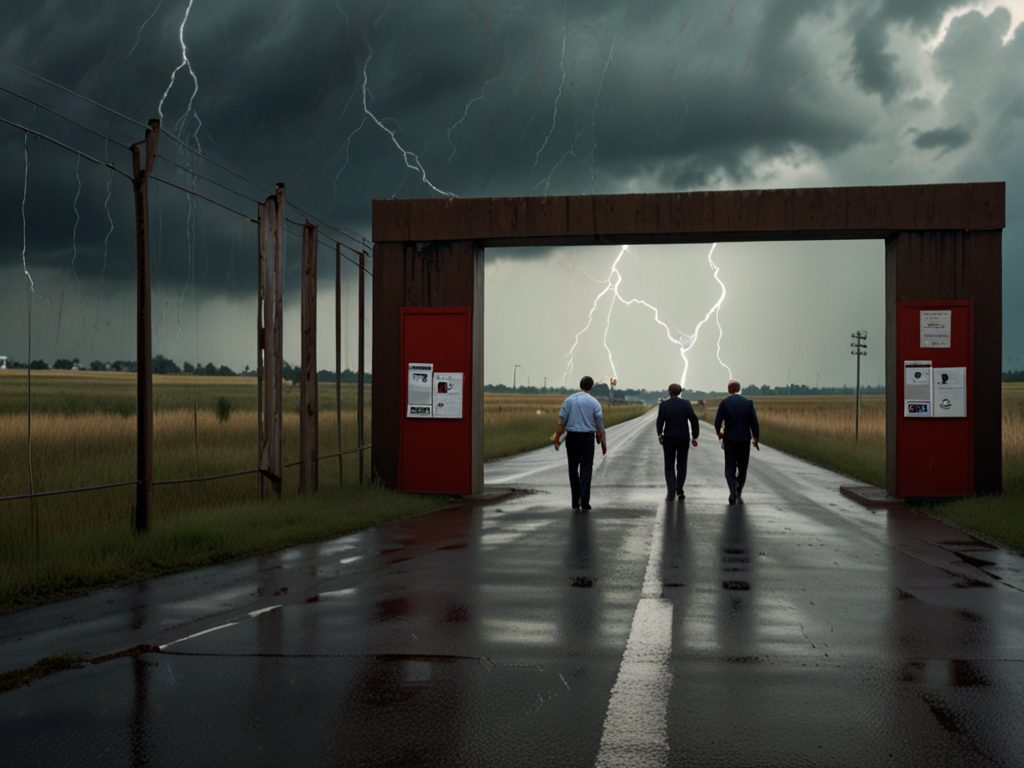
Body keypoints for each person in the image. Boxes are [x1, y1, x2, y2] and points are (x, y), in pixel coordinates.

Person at [552, 375, 607, 511]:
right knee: (586, 469)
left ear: (580, 385)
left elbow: (561, 422)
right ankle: (585, 501)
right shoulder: (595, 403)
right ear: (591, 387)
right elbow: (600, 426)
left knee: (573, 469)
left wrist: (557, 439)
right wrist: (603, 443)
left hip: (572, 438)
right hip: (587, 439)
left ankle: (575, 500)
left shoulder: (569, 400)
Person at [714, 379, 760, 505]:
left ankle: (732, 490)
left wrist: (719, 432)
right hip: (745, 439)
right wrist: (756, 438)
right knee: (743, 467)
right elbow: (754, 423)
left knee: (729, 468)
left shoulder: (724, 403)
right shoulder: (748, 403)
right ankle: (738, 488)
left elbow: (718, 421)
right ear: (739, 389)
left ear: (729, 389)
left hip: (729, 439)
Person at [656, 383, 699, 501]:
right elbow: (694, 419)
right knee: (682, 465)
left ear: (669, 391)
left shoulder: (664, 405)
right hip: (683, 439)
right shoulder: (686, 404)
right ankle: (679, 488)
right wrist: (694, 436)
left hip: (669, 438)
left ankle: (671, 488)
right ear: (680, 392)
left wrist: (660, 434)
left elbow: (660, 421)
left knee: (669, 466)